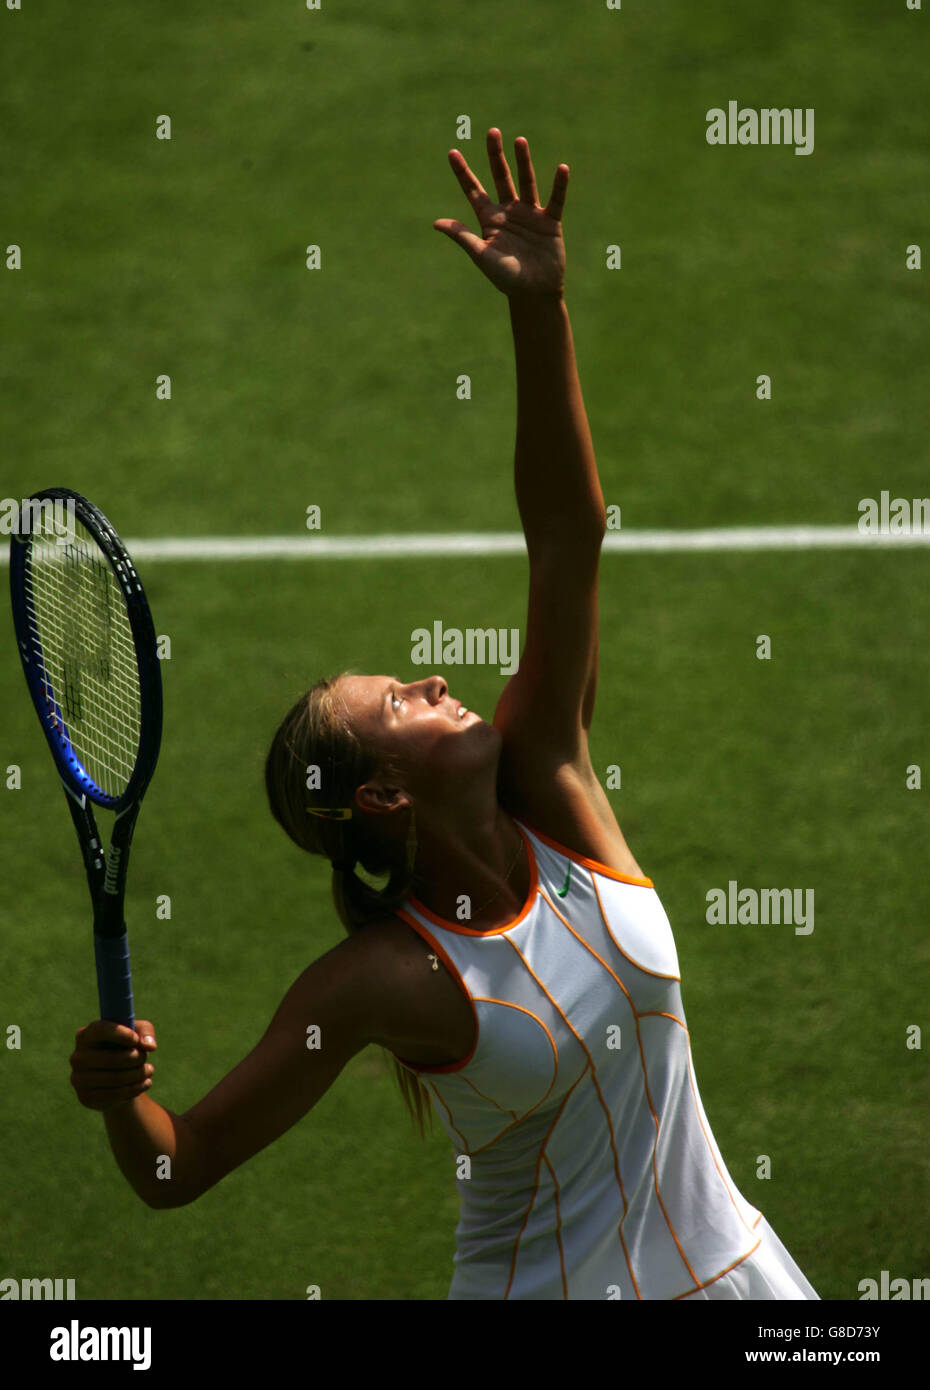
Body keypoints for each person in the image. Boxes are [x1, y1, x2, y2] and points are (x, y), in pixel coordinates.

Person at [70, 128, 819, 1301]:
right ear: (380, 791)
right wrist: (124, 1104)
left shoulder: (556, 789)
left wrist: (540, 308)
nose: (429, 677)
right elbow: (179, 1169)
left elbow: (568, 539)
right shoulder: (382, 978)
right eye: (398, 700)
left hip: (740, 1281)